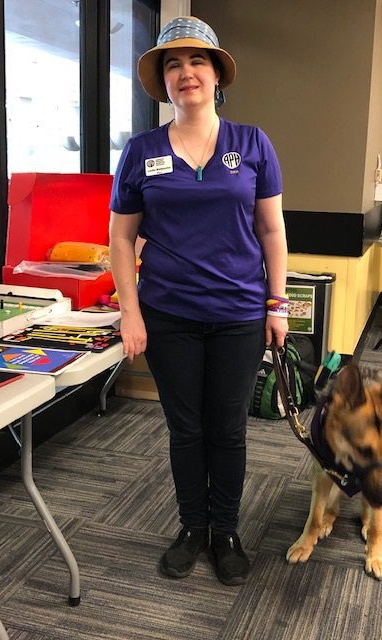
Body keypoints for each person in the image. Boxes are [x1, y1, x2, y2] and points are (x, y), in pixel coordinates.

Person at [109, 15, 288, 586]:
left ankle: (226, 530)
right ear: (163, 81)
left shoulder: (253, 143)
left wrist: (277, 304)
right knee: (185, 429)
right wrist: (130, 313)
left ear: (217, 74)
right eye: (172, 63)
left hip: (238, 313)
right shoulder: (140, 151)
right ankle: (191, 527)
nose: (186, 72)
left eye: (197, 61)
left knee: (228, 429)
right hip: (169, 315)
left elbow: (272, 232)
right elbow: (119, 236)